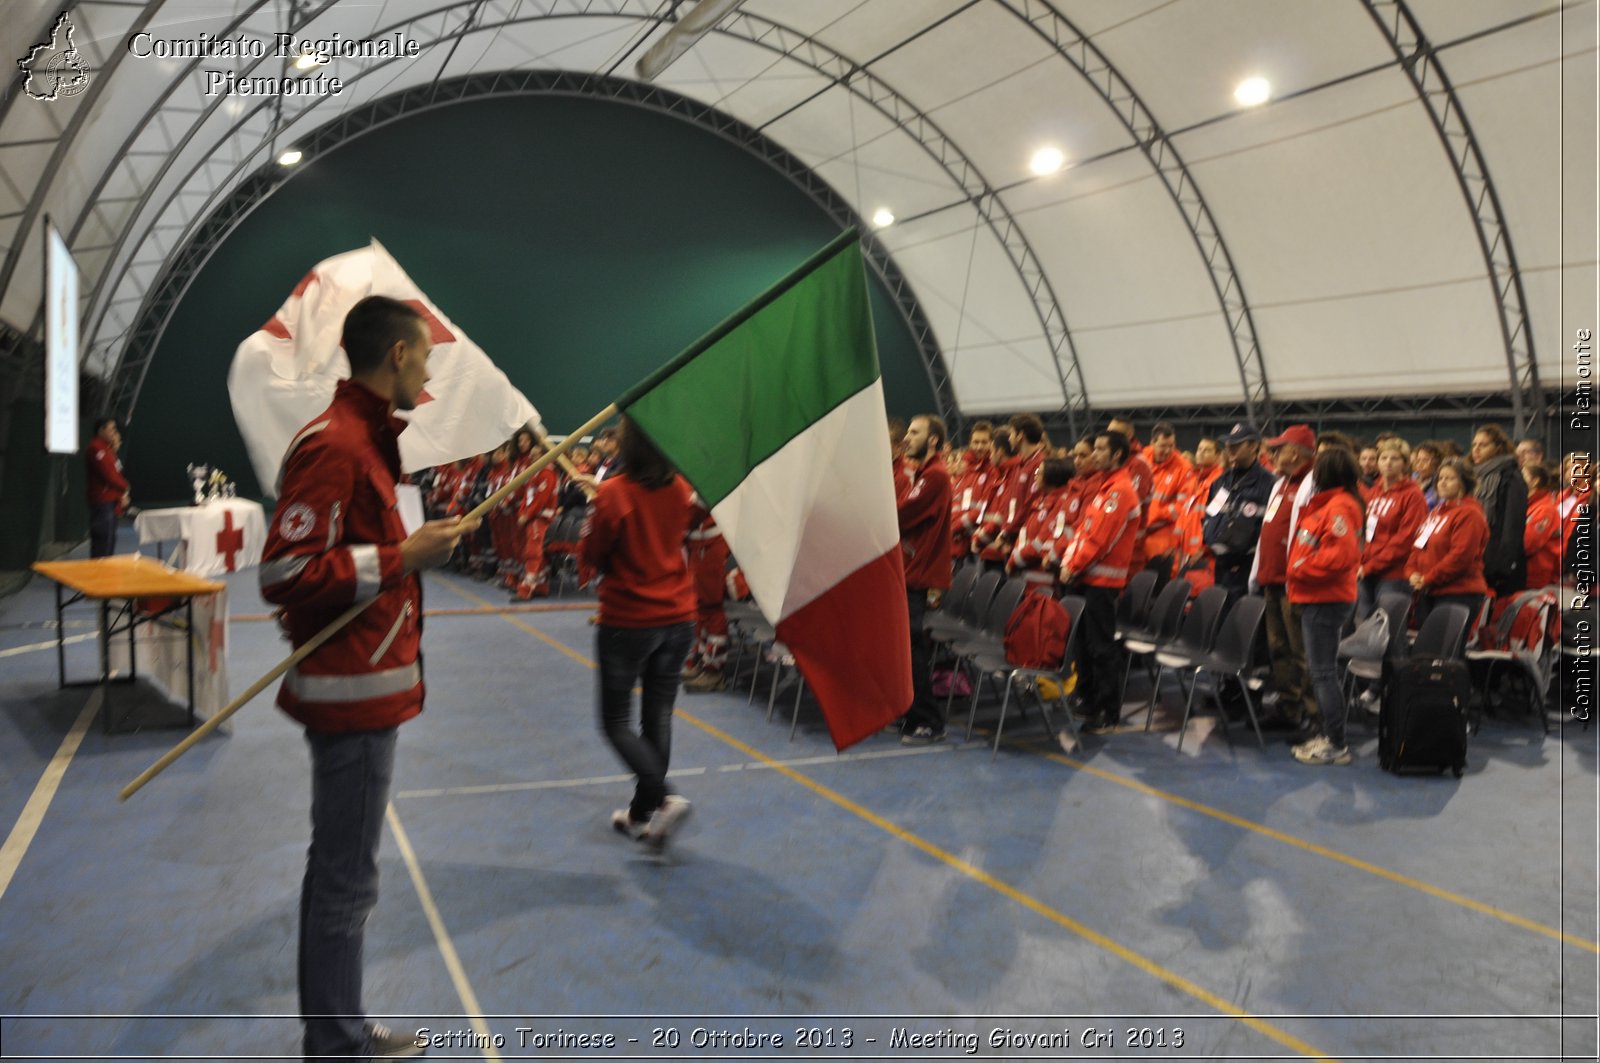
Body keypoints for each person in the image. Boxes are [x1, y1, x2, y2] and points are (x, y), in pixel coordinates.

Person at [259, 295, 477, 1061]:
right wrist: (401, 558)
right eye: (423, 355)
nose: (427, 369)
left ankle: (336, 1029)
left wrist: (419, 547)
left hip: (368, 685)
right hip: (350, 698)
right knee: (347, 881)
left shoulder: (368, 440)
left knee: (339, 875)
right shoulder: (339, 445)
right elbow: (284, 572)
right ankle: (338, 1043)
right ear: (395, 356)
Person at [581, 416, 698, 846]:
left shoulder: (613, 492)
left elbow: (595, 553)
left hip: (629, 619)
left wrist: (597, 509)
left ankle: (665, 798)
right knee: (657, 717)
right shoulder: (681, 487)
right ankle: (639, 815)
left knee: (614, 722)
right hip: (678, 616)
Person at [1287, 447, 1366, 767]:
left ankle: (1336, 742)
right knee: (1322, 672)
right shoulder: (1333, 504)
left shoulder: (1340, 507)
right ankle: (1331, 735)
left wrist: (1300, 568)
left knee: (1322, 674)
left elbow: (1340, 555)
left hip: (1326, 598)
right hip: (1319, 597)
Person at [1060, 430, 1140, 735]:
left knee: (1101, 647)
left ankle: (1108, 711)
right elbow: (1083, 531)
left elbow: (1100, 540)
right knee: (1083, 644)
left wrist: (1073, 565)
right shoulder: (1106, 488)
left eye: (1101, 449)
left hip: (1102, 582)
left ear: (1117, 455)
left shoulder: (1120, 491)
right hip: (1086, 577)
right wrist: (1070, 561)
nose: (1095, 454)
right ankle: (1090, 700)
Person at [1254, 424, 1318, 737]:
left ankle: (1310, 713)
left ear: (1294, 452)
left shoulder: (1312, 482)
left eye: (1278, 449)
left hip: (1295, 582)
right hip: (1272, 577)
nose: (1272, 454)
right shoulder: (1280, 483)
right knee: (1278, 647)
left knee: (1301, 650)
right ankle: (1288, 706)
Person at [896, 414, 954, 745]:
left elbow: (901, 514)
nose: (908, 437)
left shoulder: (935, 477)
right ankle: (912, 711)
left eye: (914, 432)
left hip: (919, 576)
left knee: (915, 650)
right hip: (910, 572)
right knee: (907, 649)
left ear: (933, 440)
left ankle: (929, 721)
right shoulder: (923, 474)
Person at [1406, 458, 1490, 630]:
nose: (1443, 483)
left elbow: (1460, 557)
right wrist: (1412, 572)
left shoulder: (1470, 514)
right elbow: (1418, 546)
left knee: (1444, 652)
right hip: (1429, 591)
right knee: (1425, 651)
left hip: (1458, 592)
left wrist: (1428, 578)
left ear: (1464, 483)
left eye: (1450, 478)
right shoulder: (1436, 512)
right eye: (1440, 478)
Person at [1202, 423, 1274, 602]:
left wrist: (1241, 547)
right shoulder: (1221, 482)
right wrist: (1211, 540)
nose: (1229, 448)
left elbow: (1268, 528)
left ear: (1253, 446)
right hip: (1219, 566)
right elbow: (1210, 514)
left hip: (1247, 568)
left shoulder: (1269, 484)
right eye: (1228, 444)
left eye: (1236, 444)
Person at [1471, 424, 1528, 597]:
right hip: (1476, 557)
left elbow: (1513, 524)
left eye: (1483, 445)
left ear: (1498, 447)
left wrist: (1502, 566)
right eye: (1474, 445)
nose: (1477, 449)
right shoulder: (1474, 476)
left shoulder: (1511, 476)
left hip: (1498, 564)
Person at [86, 416, 130, 558]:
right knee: (102, 543)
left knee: (109, 542)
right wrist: (125, 487)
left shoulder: (108, 449)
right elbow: (109, 476)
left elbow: (116, 472)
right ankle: (97, 578)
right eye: (111, 429)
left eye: (114, 429)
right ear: (101, 430)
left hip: (111, 503)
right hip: (102, 504)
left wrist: (122, 495)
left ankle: (105, 577)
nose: (114, 432)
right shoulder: (95, 448)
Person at [1522, 462, 1563, 590]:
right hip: (1527, 574)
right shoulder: (1530, 504)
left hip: (1536, 579)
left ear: (1535, 481)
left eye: (1522, 476)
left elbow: (1528, 543)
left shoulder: (1545, 509)